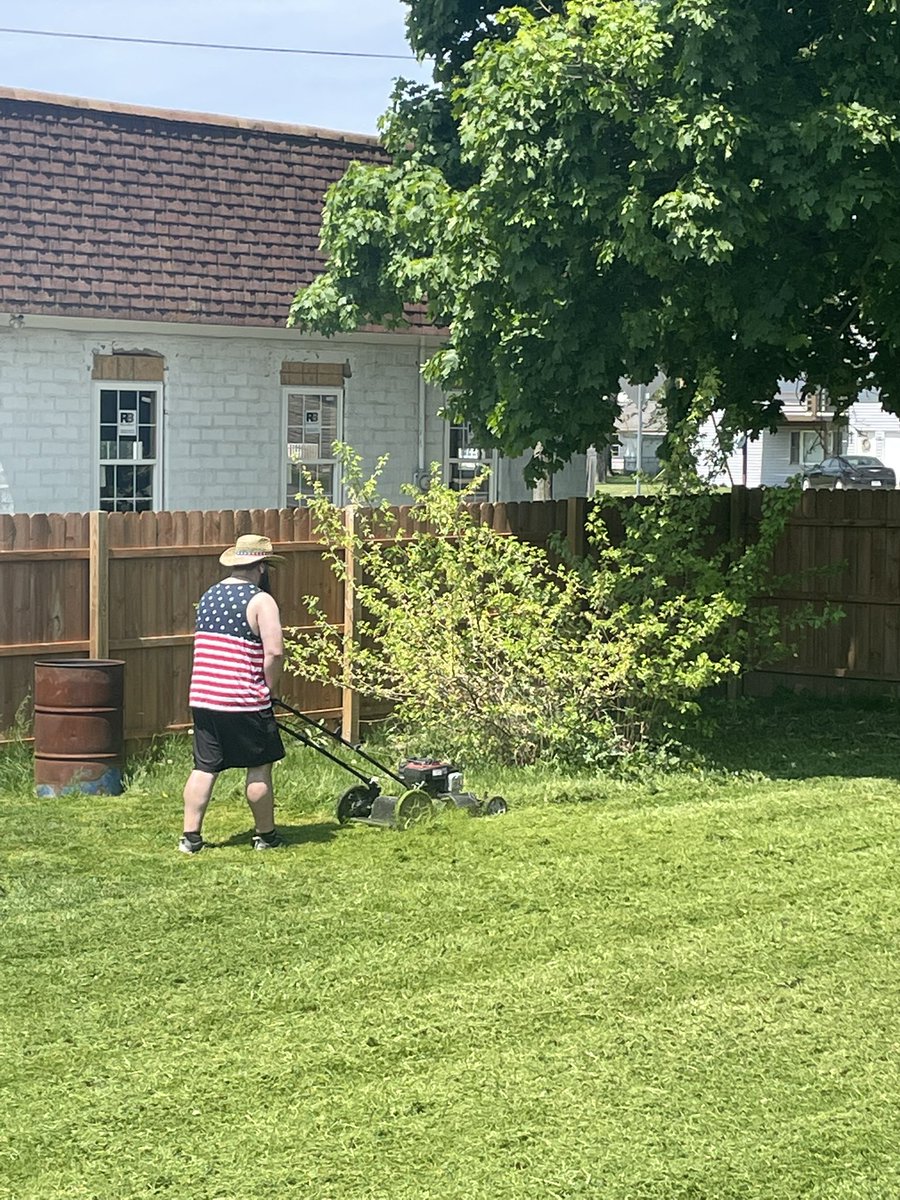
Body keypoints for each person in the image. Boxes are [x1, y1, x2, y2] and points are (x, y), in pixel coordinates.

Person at [179, 533, 287, 853]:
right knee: (259, 765)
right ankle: (265, 836)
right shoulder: (261, 601)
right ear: (262, 567)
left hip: (204, 697)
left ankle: (191, 837)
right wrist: (268, 689)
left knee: (205, 766)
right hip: (243, 700)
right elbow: (275, 653)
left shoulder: (209, 596)